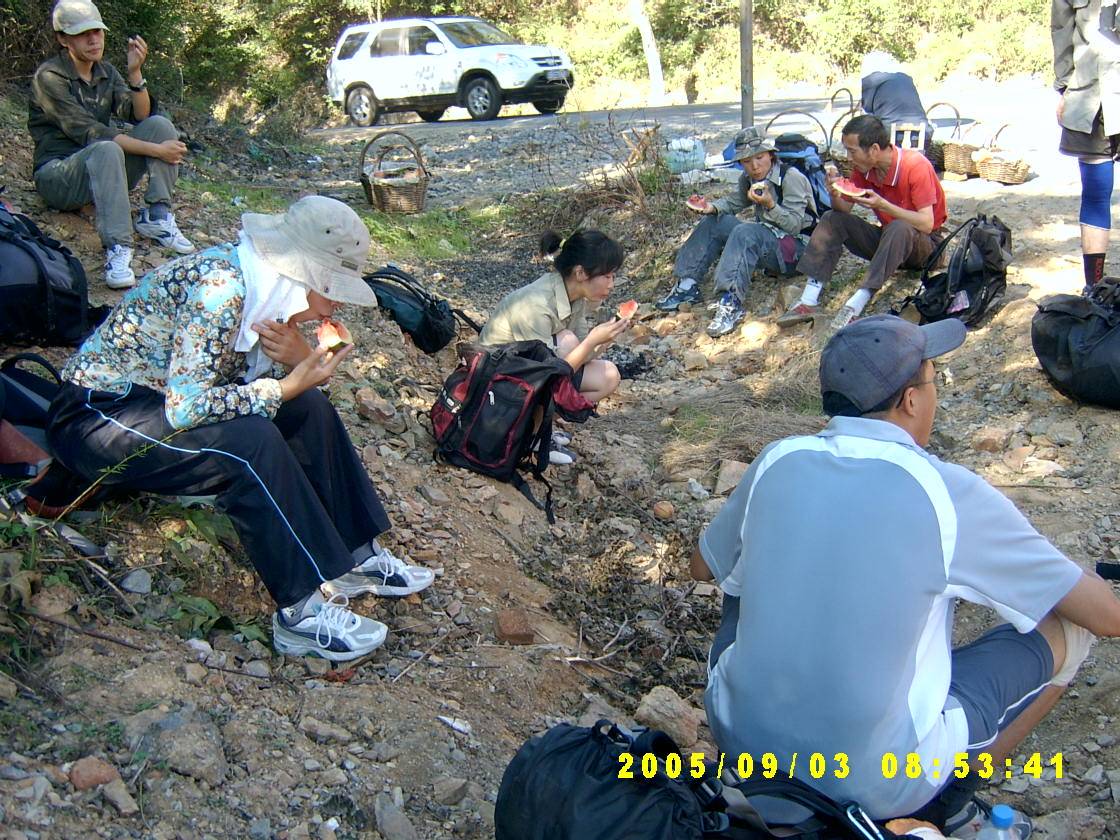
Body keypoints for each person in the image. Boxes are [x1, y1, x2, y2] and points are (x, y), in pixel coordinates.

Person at [691, 314, 1120, 836]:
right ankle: (945, 802)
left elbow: (703, 567)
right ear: (911, 401)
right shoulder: (948, 491)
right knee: (1070, 628)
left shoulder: (777, 459)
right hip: (873, 780)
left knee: (739, 577)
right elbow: (1107, 618)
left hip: (742, 742)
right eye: (935, 380)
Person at [44, 196, 435, 662]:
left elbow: (237, 383)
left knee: (308, 407)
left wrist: (296, 366)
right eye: (332, 287)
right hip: (97, 415)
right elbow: (187, 408)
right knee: (252, 442)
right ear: (303, 273)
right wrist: (282, 386)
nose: (336, 302)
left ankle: (355, 555)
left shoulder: (268, 292)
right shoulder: (222, 290)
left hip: (154, 404)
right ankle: (301, 612)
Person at [29, 0, 194, 291]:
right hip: (58, 177)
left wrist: (135, 74)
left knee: (160, 126)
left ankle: (157, 215)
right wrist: (158, 152)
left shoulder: (105, 72)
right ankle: (119, 247)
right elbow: (93, 134)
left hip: (104, 174)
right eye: (82, 34)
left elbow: (140, 115)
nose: (93, 39)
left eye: (97, 31)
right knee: (106, 147)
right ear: (63, 39)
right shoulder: (50, 77)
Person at [777, 115, 947, 331]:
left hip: (926, 247)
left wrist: (884, 205)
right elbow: (843, 210)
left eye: (852, 151)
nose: (848, 158)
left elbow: (926, 223)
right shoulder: (865, 170)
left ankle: (857, 303)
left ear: (874, 149)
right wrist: (835, 193)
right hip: (889, 244)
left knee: (899, 226)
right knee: (831, 218)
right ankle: (809, 299)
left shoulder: (915, 166)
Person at [479, 229, 629, 464]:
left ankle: (538, 429)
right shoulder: (536, 306)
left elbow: (582, 357)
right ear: (580, 273)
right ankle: (525, 436)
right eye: (607, 276)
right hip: (494, 386)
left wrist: (606, 338)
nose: (612, 284)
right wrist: (592, 340)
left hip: (528, 373)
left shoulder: (575, 297)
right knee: (568, 340)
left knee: (608, 376)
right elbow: (547, 374)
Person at [656, 126, 814, 338]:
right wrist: (711, 207)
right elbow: (735, 202)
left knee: (745, 231)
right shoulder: (748, 179)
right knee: (716, 221)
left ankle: (730, 301)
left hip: (797, 251)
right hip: (769, 242)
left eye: (759, 158)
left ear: (770, 154)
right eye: (747, 161)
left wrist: (770, 205)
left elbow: (794, 225)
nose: (755, 166)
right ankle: (687, 285)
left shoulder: (790, 177)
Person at [1053, 0, 1120, 294]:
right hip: (1089, 97)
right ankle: (1094, 288)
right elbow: (1061, 28)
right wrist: (1063, 86)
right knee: (1095, 194)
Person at [860, 51, 932, 154]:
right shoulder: (906, 78)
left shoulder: (870, 80)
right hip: (923, 132)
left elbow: (867, 110)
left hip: (890, 134)